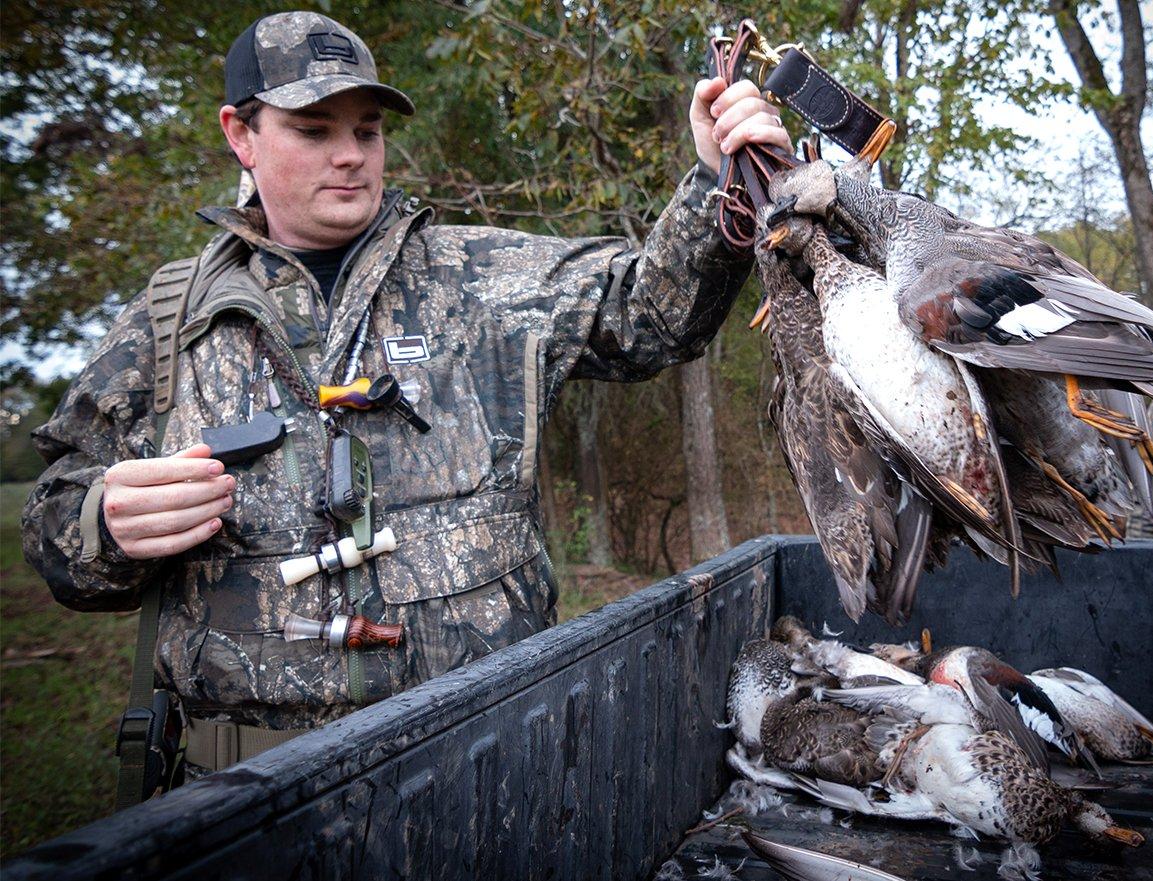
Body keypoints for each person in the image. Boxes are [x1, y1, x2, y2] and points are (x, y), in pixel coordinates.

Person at [22, 11, 792, 776]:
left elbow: (649, 314)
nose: (350, 155)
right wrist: (104, 519)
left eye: (367, 131)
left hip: (492, 778)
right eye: (314, 130)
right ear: (240, 134)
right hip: (248, 805)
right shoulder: (169, 320)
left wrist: (713, 179)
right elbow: (54, 517)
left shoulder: (477, 278)